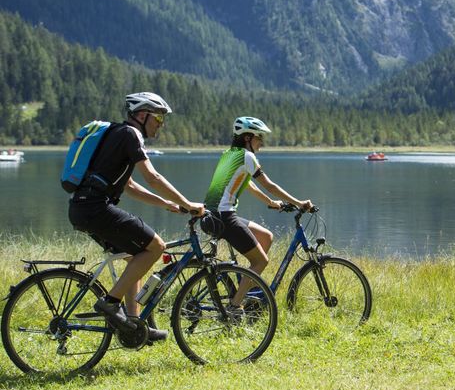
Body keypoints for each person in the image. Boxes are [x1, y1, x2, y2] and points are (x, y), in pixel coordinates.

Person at [69, 92, 205, 341]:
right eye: (158, 119)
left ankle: (133, 323)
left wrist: (167, 204)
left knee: (136, 257)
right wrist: (187, 203)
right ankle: (110, 303)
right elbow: (152, 177)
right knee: (156, 247)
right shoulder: (132, 135)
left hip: (82, 208)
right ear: (142, 116)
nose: (160, 125)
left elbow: (130, 186)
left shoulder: (118, 134)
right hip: (97, 208)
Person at [201, 116, 314, 310]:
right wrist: (299, 203)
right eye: (258, 137)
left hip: (212, 215)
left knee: (266, 237)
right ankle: (235, 307)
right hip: (224, 217)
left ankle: (248, 290)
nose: (261, 142)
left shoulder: (229, 154)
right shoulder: (247, 156)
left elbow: (248, 183)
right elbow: (269, 184)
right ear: (247, 138)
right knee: (261, 261)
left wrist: (271, 203)